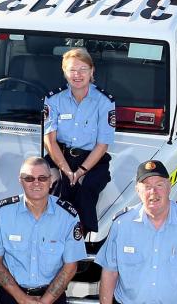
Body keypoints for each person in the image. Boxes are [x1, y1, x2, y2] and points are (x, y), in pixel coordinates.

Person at [96, 160, 177, 304]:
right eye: (147, 187)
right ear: (137, 191)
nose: (153, 192)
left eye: (159, 185)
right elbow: (110, 271)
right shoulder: (122, 224)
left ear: (169, 186)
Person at [0, 157, 86, 304]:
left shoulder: (68, 216)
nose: (36, 183)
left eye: (42, 178)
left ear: (51, 180)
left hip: (52, 298)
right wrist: (23, 299)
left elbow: (70, 266)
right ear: (20, 180)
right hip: (12, 296)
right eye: (29, 178)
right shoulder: (2, 213)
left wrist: (45, 301)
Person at [43, 47, 115, 233]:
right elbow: (50, 140)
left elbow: (102, 144)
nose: (77, 75)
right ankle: (51, 231)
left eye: (83, 69)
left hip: (92, 159)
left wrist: (81, 171)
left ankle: (79, 237)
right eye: (72, 70)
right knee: (54, 184)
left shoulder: (104, 101)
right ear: (64, 72)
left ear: (92, 71)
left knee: (86, 189)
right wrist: (66, 170)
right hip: (60, 156)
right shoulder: (54, 100)